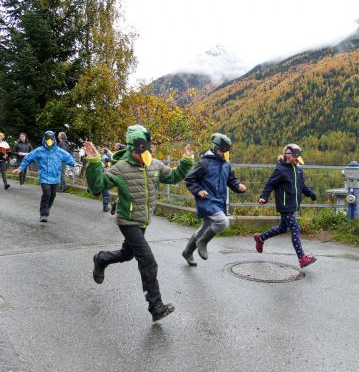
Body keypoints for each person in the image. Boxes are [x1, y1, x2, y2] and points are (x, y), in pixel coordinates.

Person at [85, 125, 194, 322]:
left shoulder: (154, 165)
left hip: (143, 221)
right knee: (148, 261)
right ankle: (156, 306)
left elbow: (174, 176)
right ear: (130, 148)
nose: (140, 154)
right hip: (127, 221)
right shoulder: (120, 169)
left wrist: (187, 160)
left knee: (127, 254)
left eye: (143, 150)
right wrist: (93, 162)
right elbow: (97, 187)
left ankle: (101, 259)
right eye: (136, 150)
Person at [182, 133, 246, 266]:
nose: (225, 154)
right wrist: (199, 191)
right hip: (207, 200)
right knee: (222, 222)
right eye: (223, 151)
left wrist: (237, 186)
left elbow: (230, 180)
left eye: (227, 151)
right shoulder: (205, 163)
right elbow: (190, 180)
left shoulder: (227, 164)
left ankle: (187, 252)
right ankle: (203, 242)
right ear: (216, 149)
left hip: (219, 201)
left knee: (204, 228)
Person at [253, 144, 318, 268]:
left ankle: (260, 238)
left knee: (283, 228)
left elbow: (302, 186)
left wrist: (311, 194)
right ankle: (302, 258)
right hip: (284, 204)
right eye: (296, 158)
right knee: (295, 228)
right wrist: (264, 197)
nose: (297, 161)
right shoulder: (280, 170)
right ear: (289, 156)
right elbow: (270, 184)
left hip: (293, 204)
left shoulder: (298, 170)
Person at [13, 130, 76, 222]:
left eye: (51, 139)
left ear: (54, 139)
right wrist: (21, 168)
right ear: (44, 140)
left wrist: (74, 163)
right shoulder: (39, 150)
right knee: (47, 194)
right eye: (48, 139)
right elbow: (28, 158)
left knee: (53, 195)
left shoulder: (59, 151)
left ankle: (47, 208)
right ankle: (43, 214)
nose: (50, 141)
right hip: (44, 177)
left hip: (55, 177)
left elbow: (68, 157)